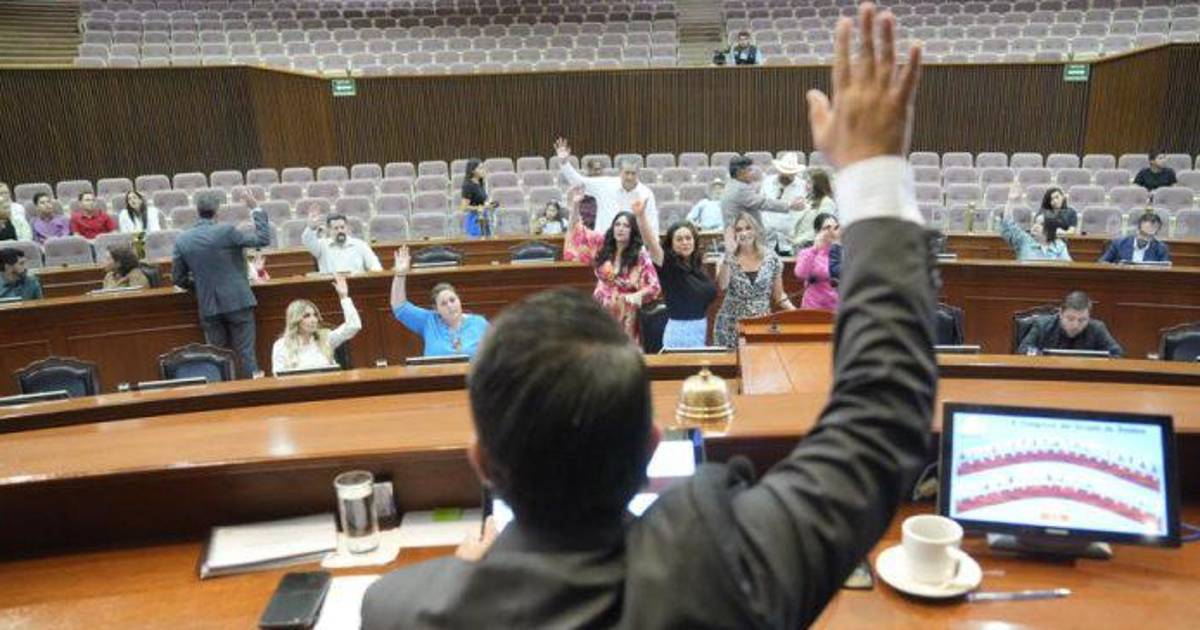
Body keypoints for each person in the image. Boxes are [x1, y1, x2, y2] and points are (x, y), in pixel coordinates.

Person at [362, 7, 933, 627]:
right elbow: (880, 423)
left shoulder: (399, 610)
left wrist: (471, 584)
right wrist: (875, 171)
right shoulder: (728, 576)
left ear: (481, 462)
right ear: (652, 446)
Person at [171, 190, 272, 378]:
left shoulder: (182, 240)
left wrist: (200, 288)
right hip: (238, 301)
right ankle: (253, 391)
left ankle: (222, 393)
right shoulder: (227, 231)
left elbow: (178, 278)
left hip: (208, 306)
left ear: (198, 211)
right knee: (246, 353)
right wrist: (255, 208)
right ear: (217, 211)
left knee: (215, 357)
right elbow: (263, 239)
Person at [634, 200, 717, 348]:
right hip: (679, 334)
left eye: (688, 238)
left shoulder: (698, 267)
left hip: (702, 329)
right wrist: (641, 216)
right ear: (671, 244)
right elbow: (651, 243)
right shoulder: (668, 265)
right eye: (679, 239)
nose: (685, 242)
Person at [390, 245, 490, 357]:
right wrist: (400, 274)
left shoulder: (479, 323)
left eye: (452, 300)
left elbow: (496, 353)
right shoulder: (429, 321)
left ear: (459, 300)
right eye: (443, 304)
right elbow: (399, 307)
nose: (450, 306)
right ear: (437, 310)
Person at [713, 211, 795, 347]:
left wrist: (795, 312)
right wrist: (729, 254)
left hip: (760, 324)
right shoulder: (726, 258)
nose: (744, 233)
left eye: (748, 228)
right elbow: (722, 285)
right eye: (739, 230)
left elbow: (779, 295)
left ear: (756, 230)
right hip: (730, 325)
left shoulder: (771, 258)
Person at [555, 138, 659, 234]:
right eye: (627, 173)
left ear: (638, 174)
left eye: (633, 173)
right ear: (620, 172)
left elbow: (653, 225)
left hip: (634, 245)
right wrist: (564, 163)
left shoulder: (646, 194)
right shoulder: (605, 184)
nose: (630, 177)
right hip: (603, 242)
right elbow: (578, 182)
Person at [591, 210, 661, 344]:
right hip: (600, 312)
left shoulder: (640, 255)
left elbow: (654, 286)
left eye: (626, 226)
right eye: (617, 224)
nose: (620, 229)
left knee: (622, 352)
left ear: (633, 230)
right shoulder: (604, 250)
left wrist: (638, 294)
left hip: (625, 315)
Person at [271, 275, 362, 374]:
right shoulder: (281, 345)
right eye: (307, 316)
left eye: (315, 315)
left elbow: (354, 326)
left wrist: (344, 297)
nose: (313, 320)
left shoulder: (326, 338)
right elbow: (278, 376)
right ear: (295, 320)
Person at [1017, 291, 1124, 357]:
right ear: (1060, 313)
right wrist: (1044, 358)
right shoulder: (1042, 325)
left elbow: (1117, 353)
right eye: (1070, 319)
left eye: (1082, 320)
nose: (1075, 325)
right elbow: (1023, 350)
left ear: (1089, 316)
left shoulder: (1097, 328)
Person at [721, 155, 806, 230]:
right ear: (740, 172)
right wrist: (789, 205)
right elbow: (763, 203)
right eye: (749, 170)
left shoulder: (731, 185)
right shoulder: (741, 189)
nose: (753, 173)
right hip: (742, 235)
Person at [999, 183, 1071, 261]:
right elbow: (1008, 225)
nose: (1036, 226)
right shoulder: (1024, 240)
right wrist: (1011, 201)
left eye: (1041, 224)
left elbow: (1067, 266)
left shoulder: (1059, 246)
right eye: (1035, 222)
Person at [302, 209, 382, 274]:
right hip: (330, 285)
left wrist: (373, 274)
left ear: (346, 227)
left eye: (342, 227)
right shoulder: (321, 245)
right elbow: (308, 240)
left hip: (357, 285)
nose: (340, 231)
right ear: (329, 230)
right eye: (336, 228)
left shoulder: (360, 245)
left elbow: (375, 265)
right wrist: (311, 228)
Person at [760, 152, 809, 255]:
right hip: (768, 239)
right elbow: (761, 205)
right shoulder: (767, 183)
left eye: (790, 174)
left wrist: (803, 206)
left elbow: (807, 211)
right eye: (784, 173)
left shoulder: (803, 186)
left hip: (790, 240)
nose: (786, 177)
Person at [794, 213, 841, 311]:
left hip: (837, 309)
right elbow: (800, 273)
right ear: (817, 232)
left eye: (835, 227)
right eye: (827, 228)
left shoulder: (842, 252)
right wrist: (815, 249)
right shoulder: (808, 252)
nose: (832, 231)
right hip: (813, 308)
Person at [1099, 211, 1171, 264]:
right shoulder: (1119, 244)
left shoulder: (1161, 248)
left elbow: (1164, 272)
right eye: (1143, 234)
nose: (1145, 238)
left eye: (1150, 236)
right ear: (1137, 230)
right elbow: (1102, 263)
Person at [795, 169, 837, 247]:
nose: (806, 185)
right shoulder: (809, 200)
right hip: (801, 244)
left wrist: (800, 240)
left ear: (818, 185)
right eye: (806, 182)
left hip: (813, 245)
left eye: (809, 182)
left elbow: (822, 227)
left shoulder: (827, 202)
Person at [563, 189, 604, 264]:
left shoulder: (599, 235)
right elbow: (573, 219)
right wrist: (576, 204)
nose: (588, 215)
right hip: (571, 268)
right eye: (584, 213)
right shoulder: (575, 228)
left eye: (591, 212)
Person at [460, 159, 497, 238]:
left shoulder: (480, 183)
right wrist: (480, 207)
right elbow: (464, 207)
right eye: (480, 168)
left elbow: (481, 201)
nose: (483, 170)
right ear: (472, 171)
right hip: (475, 220)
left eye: (483, 168)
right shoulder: (468, 185)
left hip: (484, 217)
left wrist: (489, 204)